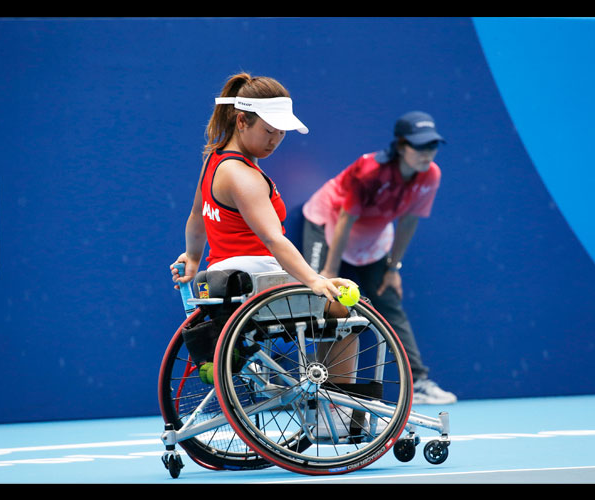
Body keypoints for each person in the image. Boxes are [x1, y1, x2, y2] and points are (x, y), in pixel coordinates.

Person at [301, 111, 457, 405]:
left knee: (388, 302)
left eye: (432, 146)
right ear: (400, 146)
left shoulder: (431, 175)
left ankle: (419, 381)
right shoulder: (370, 171)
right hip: (327, 223)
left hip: (370, 239)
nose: (427, 154)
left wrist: (393, 268)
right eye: (419, 146)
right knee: (314, 298)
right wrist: (328, 273)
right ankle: (305, 379)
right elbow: (346, 216)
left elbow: (409, 221)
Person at [170, 72, 355, 318]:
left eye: (281, 132)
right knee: (346, 305)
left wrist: (193, 257)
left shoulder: (213, 161)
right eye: (268, 130)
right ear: (242, 121)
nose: (275, 140)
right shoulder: (244, 176)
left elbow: (197, 215)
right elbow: (273, 239)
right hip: (256, 279)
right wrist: (315, 280)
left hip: (220, 277)